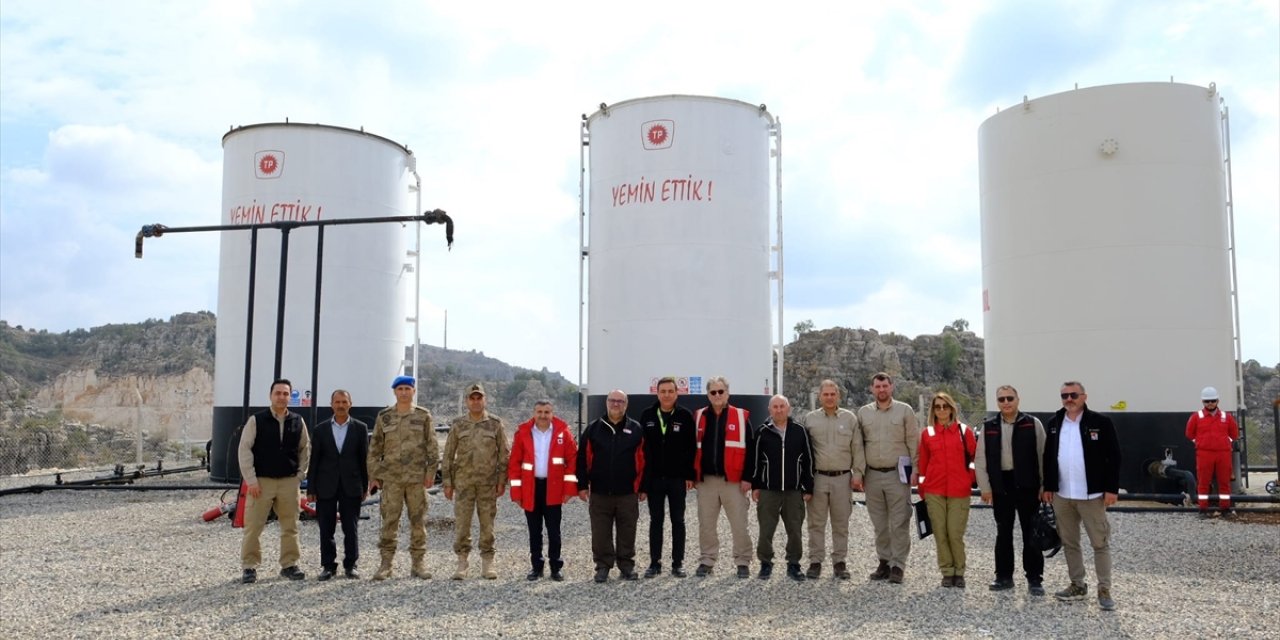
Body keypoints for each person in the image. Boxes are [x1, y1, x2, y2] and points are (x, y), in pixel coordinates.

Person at [1042, 381, 1121, 611]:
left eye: (1073, 395)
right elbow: (1049, 457)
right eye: (1064, 395)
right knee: (1069, 542)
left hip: (1092, 494)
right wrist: (1048, 486)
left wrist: (1111, 489)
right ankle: (1077, 584)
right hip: (1063, 495)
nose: (1069, 399)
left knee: (1100, 542)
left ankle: (1104, 589)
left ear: (1084, 396)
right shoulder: (1055, 423)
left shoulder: (1101, 422)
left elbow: (1114, 457)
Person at [975, 385, 1047, 595]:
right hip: (1001, 485)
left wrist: (1044, 485)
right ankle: (1003, 577)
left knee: (1030, 532)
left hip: (1028, 484)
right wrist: (985, 488)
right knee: (1003, 532)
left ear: (1017, 399)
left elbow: (1043, 455)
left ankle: (1034, 579)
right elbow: (980, 460)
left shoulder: (1032, 424)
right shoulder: (988, 427)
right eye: (1001, 399)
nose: (1005, 402)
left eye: (1009, 398)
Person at [238, 378, 311, 584]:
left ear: (290, 396)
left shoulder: (298, 421)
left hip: (289, 482)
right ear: (271, 395)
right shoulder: (257, 420)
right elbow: (245, 449)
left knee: (290, 525)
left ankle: (289, 565)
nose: (282, 397)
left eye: (286, 393)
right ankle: (249, 566)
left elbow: (305, 449)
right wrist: (251, 480)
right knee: (254, 525)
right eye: (278, 393)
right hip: (261, 482)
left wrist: (300, 475)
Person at [367, 375, 439, 580]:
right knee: (389, 521)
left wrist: (430, 473)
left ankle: (418, 564)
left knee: (418, 522)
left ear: (413, 391)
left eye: (408, 389)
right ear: (395, 392)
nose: (404, 392)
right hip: (392, 480)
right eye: (400, 389)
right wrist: (375, 475)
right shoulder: (385, 417)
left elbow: (432, 446)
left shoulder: (423, 416)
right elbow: (374, 450)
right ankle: (386, 565)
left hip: (417, 479)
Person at [853, 372, 919, 584]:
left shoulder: (905, 411)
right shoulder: (863, 413)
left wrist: (916, 470)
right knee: (880, 523)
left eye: (885, 386)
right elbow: (859, 445)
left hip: (897, 475)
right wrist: (859, 472)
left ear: (892, 387)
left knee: (899, 521)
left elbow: (913, 442)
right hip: (872, 475)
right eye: (877, 386)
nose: (881, 390)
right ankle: (884, 561)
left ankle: (898, 565)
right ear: (872, 389)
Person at [443, 383, 509, 580]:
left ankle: (488, 561)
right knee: (462, 524)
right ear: (467, 401)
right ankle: (462, 562)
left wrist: (501, 481)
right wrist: (447, 482)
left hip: (487, 484)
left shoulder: (495, 424)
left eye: (479, 398)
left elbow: (504, 455)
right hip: (463, 484)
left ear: (484, 400)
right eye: (472, 398)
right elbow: (448, 454)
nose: (475, 401)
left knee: (487, 524)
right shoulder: (458, 425)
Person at [578, 390, 645, 583]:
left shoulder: (636, 429)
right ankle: (603, 566)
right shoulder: (593, 429)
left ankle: (626, 566)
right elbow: (582, 458)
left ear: (626, 404)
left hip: (627, 493)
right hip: (600, 492)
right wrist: (582, 485)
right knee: (600, 532)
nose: (616, 404)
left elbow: (644, 460)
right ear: (607, 403)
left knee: (627, 530)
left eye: (620, 401)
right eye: (612, 400)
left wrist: (642, 487)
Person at [692, 376, 755, 579]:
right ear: (708, 395)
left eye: (721, 391)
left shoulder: (740, 417)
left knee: (739, 524)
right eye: (713, 392)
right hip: (707, 481)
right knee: (706, 525)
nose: (717, 395)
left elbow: (751, 450)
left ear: (728, 393)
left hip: (734, 482)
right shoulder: (699, 416)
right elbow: (691, 449)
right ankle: (707, 560)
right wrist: (693, 475)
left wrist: (748, 478)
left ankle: (743, 561)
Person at [509, 400, 578, 581]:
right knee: (534, 530)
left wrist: (570, 489)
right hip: (531, 488)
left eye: (546, 412)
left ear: (552, 413)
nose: (543, 415)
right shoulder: (523, 433)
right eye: (539, 411)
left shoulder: (563, 432)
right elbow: (514, 464)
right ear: (534, 413)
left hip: (553, 488)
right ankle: (536, 567)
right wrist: (516, 493)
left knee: (554, 530)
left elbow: (572, 460)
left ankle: (556, 567)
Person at [748, 394, 813, 581]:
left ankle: (794, 564)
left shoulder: (800, 431)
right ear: (769, 410)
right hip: (769, 489)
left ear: (788, 408)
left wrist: (808, 487)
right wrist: (755, 486)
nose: (778, 410)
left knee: (795, 529)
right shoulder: (762, 432)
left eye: (782, 406)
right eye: (775, 407)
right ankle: (765, 563)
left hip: (794, 490)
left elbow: (808, 460)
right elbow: (755, 461)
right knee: (766, 529)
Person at [916, 392, 977, 588]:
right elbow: (923, 463)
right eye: (937, 407)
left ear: (952, 408)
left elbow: (975, 459)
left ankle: (960, 571)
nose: (941, 410)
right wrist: (922, 486)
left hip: (959, 490)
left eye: (945, 406)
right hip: (934, 490)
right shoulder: (927, 433)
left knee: (955, 533)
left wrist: (970, 479)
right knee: (940, 533)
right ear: (933, 410)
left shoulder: (964, 431)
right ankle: (947, 572)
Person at [306, 389, 369, 580]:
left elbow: (363, 459)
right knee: (326, 528)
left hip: (351, 485)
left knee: (351, 527)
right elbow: (314, 460)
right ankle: (328, 566)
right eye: (337, 402)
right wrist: (311, 488)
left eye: (344, 402)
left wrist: (364, 486)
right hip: (326, 485)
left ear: (350, 404)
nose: (341, 405)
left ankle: (351, 565)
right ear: (331, 404)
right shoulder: (320, 429)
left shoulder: (360, 428)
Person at [800, 379, 859, 580]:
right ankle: (816, 561)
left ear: (838, 396)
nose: (829, 397)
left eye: (833, 394)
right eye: (825, 394)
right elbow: (804, 452)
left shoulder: (850, 419)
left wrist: (858, 474)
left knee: (841, 522)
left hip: (842, 478)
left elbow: (857, 448)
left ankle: (840, 562)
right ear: (820, 396)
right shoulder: (810, 419)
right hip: (818, 478)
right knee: (816, 522)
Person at [639, 376, 697, 578]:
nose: (666, 395)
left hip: (677, 478)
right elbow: (641, 451)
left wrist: (689, 475)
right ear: (657, 393)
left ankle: (678, 563)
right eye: (663, 391)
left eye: (670, 391)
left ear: (676, 392)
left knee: (678, 520)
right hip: (654, 478)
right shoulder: (647, 415)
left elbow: (691, 449)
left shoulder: (685, 415)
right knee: (656, 520)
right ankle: (655, 563)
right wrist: (643, 483)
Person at [1185, 386, 1239, 518]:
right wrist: (1200, 443)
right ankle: (1203, 509)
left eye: (1213, 400)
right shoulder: (1196, 417)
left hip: (1223, 453)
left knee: (1224, 482)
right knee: (1203, 482)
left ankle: (1225, 509)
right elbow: (1189, 434)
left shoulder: (1227, 417)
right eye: (1207, 401)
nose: (1210, 403)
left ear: (1218, 401)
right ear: (1203, 402)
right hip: (1204, 454)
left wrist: (1226, 442)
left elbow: (1234, 434)